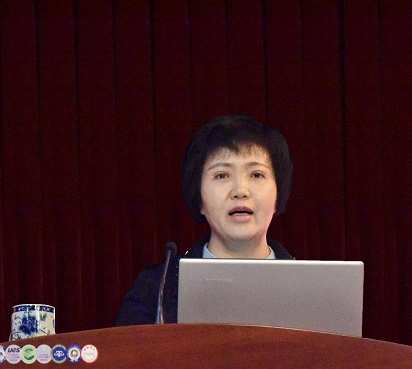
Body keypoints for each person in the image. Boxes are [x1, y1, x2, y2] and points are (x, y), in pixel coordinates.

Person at [115, 114, 294, 325]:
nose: (240, 191)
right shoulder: (157, 287)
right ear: (199, 198)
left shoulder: (311, 286)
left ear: (278, 194)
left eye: (256, 175)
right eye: (222, 175)